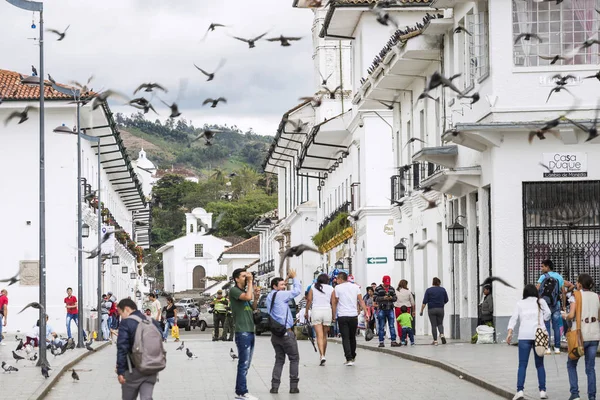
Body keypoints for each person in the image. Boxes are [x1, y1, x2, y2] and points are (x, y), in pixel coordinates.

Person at [507, 284, 551, 400]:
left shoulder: (520, 303)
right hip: (538, 336)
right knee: (540, 364)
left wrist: (510, 332)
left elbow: (514, 318)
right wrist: (542, 321)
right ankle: (542, 391)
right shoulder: (541, 302)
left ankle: (520, 390)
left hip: (524, 336)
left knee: (522, 364)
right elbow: (548, 314)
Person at [562, 273, 600, 400]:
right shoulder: (596, 297)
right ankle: (592, 397)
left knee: (571, 364)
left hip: (579, 335)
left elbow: (571, 315)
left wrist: (565, 315)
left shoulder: (576, 296)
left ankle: (575, 394)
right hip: (594, 335)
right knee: (590, 368)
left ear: (579, 284)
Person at [116, 298, 163, 400]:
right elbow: (160, 338)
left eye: (120, 313)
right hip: (151, 368)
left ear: (127, 309)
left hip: (133, 370)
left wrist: (120, 371)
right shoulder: (150, 321)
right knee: (147, 397)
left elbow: (122, 347)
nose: (121, 317)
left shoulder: (126, 323)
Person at [266, 269, 302, 394]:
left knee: (279, 360)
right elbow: (297, 291)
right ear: (275, 286)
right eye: (281, 285)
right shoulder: (282, 295)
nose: (284, 286)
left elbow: (281, 288)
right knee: (294, 359)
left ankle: (274, 386)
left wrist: (285, 280)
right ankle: (293, 386)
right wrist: (295, 277)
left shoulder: (270, 296)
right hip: (286, 332)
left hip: (275, 334)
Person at [229, 268, 260, 400]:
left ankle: (240, 391)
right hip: (242, 332)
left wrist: (256, 298)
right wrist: (251, 281)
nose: (245, 278)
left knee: (247, 363)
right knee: (243, 363)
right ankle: (242, 392)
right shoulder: (234, 290)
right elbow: (247, 296)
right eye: (243, 276)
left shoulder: (243, 291)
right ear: (236, 278)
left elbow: (252, 306)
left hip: (250, 330)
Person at [334, 272, 370, 366]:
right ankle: (353, 356)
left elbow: (335, 302)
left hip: (342, 315)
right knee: (352, 337)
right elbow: (361, 301)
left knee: (345, 337)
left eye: (337, 279)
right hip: (353, 315)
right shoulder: (355, 287)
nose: (336, 281)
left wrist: (334, 314)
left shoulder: (337, 288)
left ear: (341, 279)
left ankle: (349, 358)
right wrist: (366, 312)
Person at [305, 273, 335, 366]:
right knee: (325, 336)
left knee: (319, 336)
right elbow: (333, 302)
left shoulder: (313, 287)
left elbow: (309, 300)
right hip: (327, 311)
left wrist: (306, 312)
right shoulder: (331, 288)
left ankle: (321, 355)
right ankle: (323, 355)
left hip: (316, 311)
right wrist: (334, 315)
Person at [536, 259, 564, 354]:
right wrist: (563, 305)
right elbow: (563, 291)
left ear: (547, 267)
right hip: (556, 305)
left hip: (545, 305)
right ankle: (557, 348)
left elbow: (537, 290)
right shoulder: (559, 277)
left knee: (546, 325)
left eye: (542, 266)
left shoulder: (543, 277)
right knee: (556, 326)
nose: (541, 268)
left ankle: (547, 348)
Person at [419, 277, 449, 345]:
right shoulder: (443, 290)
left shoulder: (428, 290)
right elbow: (446, 300)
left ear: (433, 283)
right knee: (440, 323)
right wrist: (441, 303)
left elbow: (424, 302)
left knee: (433, 325)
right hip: (440, 309)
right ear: (439, 283)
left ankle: (435, 341)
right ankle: (442, 334)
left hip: (431, 309)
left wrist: (421, 311)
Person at [374, 275, 399, 347]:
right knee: (381, 326)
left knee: (391, 325)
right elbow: (375, 298)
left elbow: (395, 298)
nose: (387, 285)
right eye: (386, 284)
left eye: (388, 284)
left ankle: (393, 341)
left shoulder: (392, 288)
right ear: (383, 282)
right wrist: (383, 298)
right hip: (382, 309)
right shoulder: (378, 289)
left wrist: (391, 298)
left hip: (390, 308)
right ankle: (381, 342)